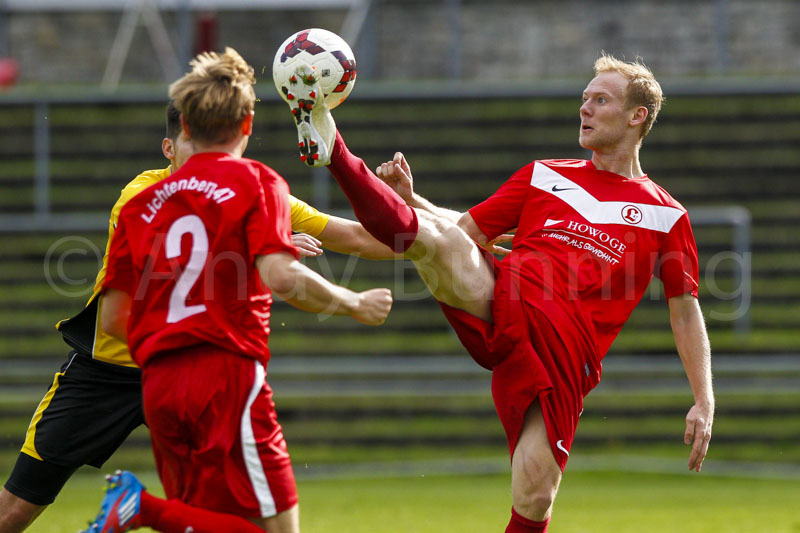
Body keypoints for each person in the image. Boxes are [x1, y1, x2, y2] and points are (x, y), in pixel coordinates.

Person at [280, 54, 714, 532]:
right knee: (434, 242)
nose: (584, 109)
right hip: (508, 295)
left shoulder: (666, 215)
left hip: (567, 351)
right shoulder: (544, 174)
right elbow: (463, 231)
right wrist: (412, 206)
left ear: (638, 116)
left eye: (600, 100)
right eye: (584, 99)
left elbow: (685, 311)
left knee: (534, 495)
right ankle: (335, 148)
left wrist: (703, 398)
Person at [0, 101, 399, 533]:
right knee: (16, 509)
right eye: (193, 142)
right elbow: (174, 274)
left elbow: (364, 237)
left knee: (217, 516)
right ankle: (141, 508)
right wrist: (264, 240)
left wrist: (419, 215)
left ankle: (141, 508)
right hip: (108, 370)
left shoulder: (255, 190)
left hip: (193, 367)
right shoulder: (144, 195)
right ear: (169, 148)